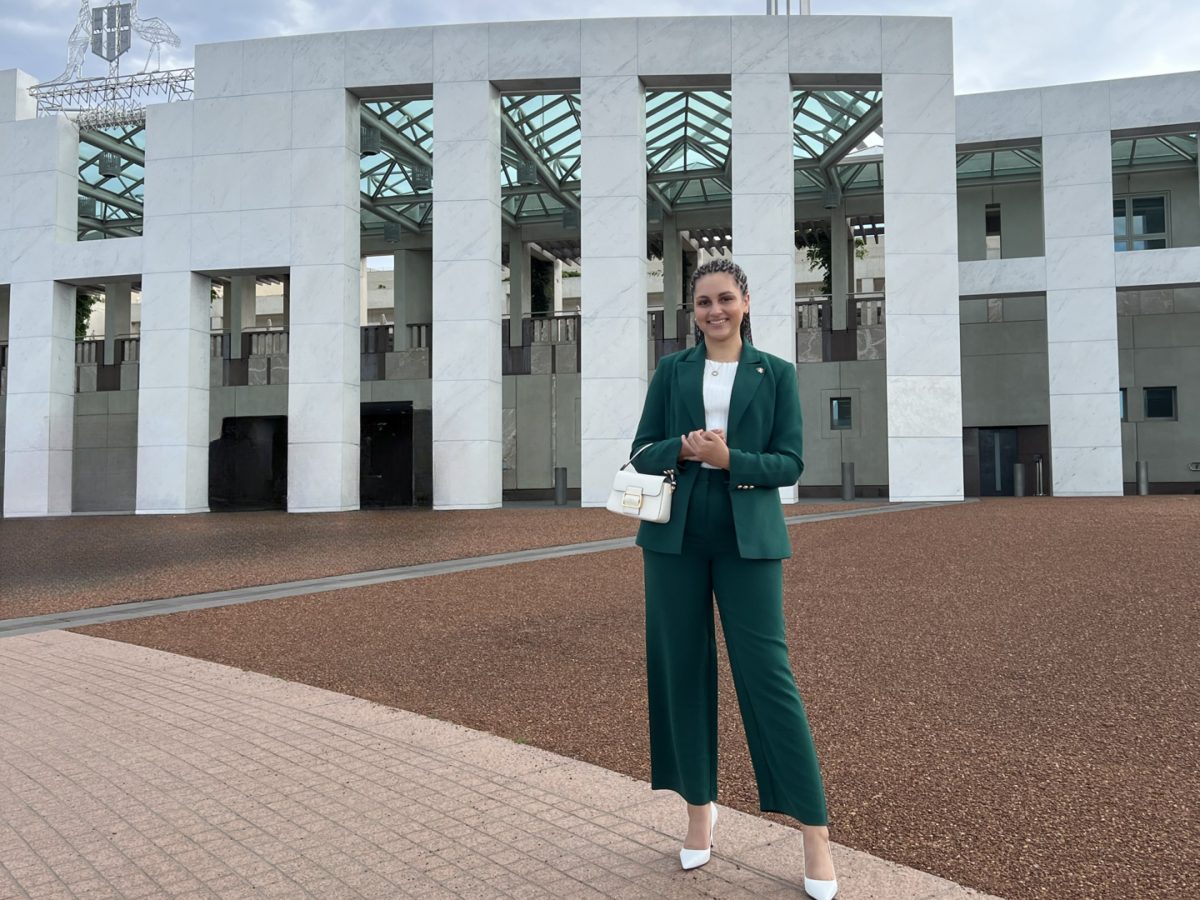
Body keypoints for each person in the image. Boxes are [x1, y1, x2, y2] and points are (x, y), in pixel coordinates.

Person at [628, 257, 838, 899]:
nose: (714, 311)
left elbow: (790, 461)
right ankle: (698, 814)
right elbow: (640, 451)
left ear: (745, 301)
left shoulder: (775, 373)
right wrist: (685, 450)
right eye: (702, 303)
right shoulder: (672, 371)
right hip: (675, 541)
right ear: (692, 312)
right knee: (680, 671)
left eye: (724, 299)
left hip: (750, 541)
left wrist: (731, 460)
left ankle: (815, 836)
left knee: (768, 679)